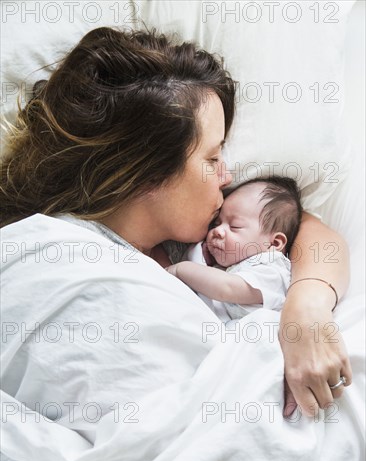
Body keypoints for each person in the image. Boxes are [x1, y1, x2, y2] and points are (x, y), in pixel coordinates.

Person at [0, 26, 351, 424]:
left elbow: (311, 231)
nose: (227, 174)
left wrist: (306, 308)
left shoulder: (208, 226)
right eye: (211, 157)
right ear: (150, 172)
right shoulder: (52, 255)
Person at [165, 176, 302, 321]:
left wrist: (179, 270)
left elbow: (226, 288)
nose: (218, 231)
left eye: (234, 226)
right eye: (217, 223)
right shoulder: (229, 262)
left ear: (274, 243)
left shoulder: (272, 271)